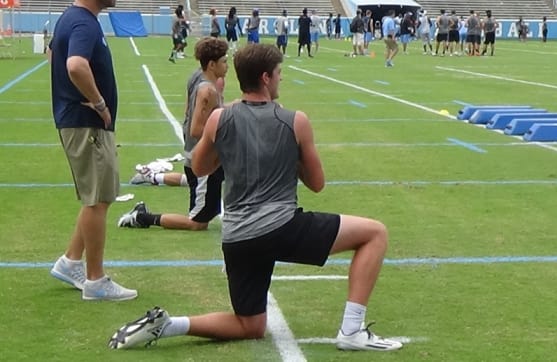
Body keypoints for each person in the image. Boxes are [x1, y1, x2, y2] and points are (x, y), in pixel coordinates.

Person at [108, 43, 403, 352]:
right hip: (281, 228)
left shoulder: (221, 118)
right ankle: (352, 330)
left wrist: (231, 148)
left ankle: (170, 325)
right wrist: (292, 155)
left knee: (250, 325)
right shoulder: (294, 120)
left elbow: (200, 166)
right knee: (375, 233)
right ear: (265, 78)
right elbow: (317, 184)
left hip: (237, 236)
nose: (281, 79)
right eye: (279, 73)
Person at [48, 0, 136, 301]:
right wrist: (98, 102)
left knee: (96, 197)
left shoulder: (73, 18)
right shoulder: (83, 22)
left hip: (79, 121)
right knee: (98, 199)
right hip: (86, 123)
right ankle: (95, 280)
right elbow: (74, 64)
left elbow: (53, 55)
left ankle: (70, 262)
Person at [118, 37, 229, 230]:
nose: (228, 66)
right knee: (197, 223)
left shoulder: (197, 77)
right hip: (204, 157)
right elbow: (196, 129)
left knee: (207, 180)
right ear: (212, 64)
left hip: (200, 156)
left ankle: (152, 177)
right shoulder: (208, 91)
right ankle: (143, 217)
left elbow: (188, 112)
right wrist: (227, 129)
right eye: (224, 61)